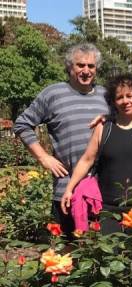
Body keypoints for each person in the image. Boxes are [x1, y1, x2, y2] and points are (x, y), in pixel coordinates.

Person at [13, 43, 109, 237]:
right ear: (69, 67)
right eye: (80, 65)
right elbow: (22, 124)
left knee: (102, 254)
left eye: (91, 66)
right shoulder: (53, 94)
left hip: (102, 189)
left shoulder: (106, 96)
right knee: (66, 254)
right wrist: (43, 157)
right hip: (66, 190)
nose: (86, 70)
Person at [60, 74, 132, 234]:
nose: (125, 101)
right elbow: (87, 160)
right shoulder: (103, 128)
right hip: (107, 209)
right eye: (119, 97)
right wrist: (69, 189)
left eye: (129, 96)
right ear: (113, 102)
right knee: (108, 255)